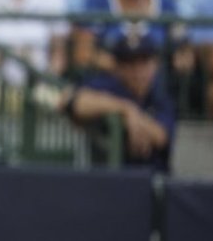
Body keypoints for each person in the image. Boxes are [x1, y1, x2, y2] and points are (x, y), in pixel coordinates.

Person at [63, 30, 175, 171]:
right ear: (118, 67)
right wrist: (126, 109)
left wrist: (137, 120)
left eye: (144, 62)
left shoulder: (159, 94)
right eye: (130, 64)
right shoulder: (112, 86)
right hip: (111, 183)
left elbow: (161, 136)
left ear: (155, 65)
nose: (138, 71)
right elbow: (74, 102)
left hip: (154, 183)